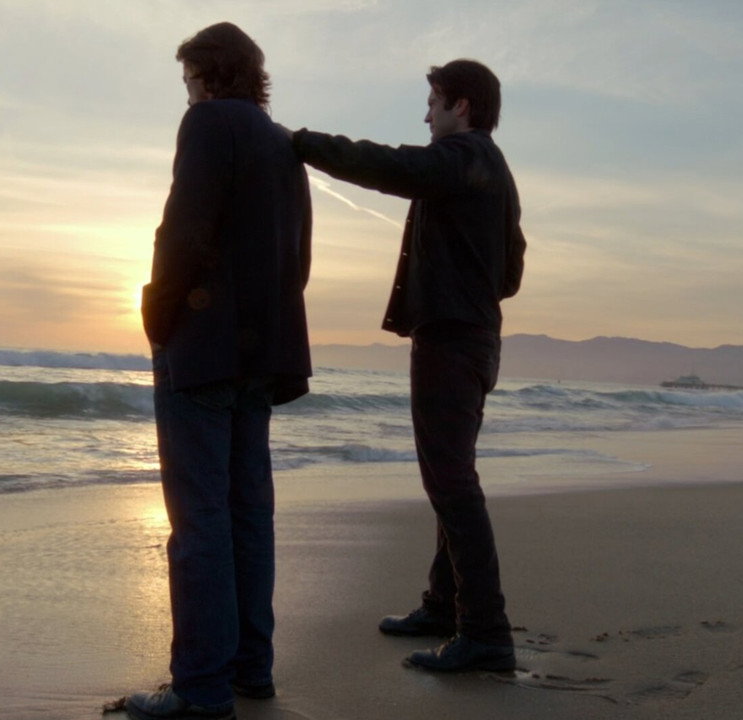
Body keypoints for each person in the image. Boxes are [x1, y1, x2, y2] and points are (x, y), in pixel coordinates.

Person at [286, 59, 526, 672]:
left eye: (433, 102)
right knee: (453, 477)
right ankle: (444, 606)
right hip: (477, 339)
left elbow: (392, 167)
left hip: (452, 341)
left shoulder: (462, 156)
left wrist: (303, 144)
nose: (426, 115)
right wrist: (471, 285)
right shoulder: (493, 169)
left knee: (451, 484)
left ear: (461, 105)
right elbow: (512, 271)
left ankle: (486, 632)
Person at [126, 22, 312, 720]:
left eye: (188, 79)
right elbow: (298, 256)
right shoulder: (282, 142)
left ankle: (201, 688)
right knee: (248, 514)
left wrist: (158, 315)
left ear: (208, 75)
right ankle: (250, 670)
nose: (187, 93)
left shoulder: (207, 124)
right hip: (264, 352)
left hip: (204, 346)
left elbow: (183, 231)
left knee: (200, 518)